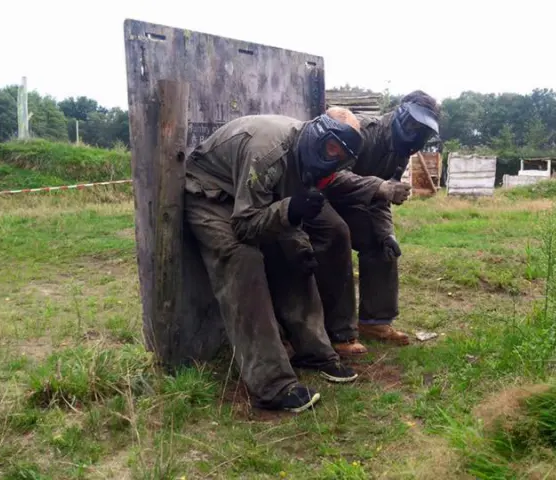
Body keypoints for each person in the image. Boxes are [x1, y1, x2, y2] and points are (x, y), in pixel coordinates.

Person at [183, 107, 364, 413]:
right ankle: (272, 384)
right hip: (210, 194)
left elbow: (277, 207)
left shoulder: (310, 157)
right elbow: (245, 226)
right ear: (321, 133)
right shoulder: (268, 151)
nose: (333, 157)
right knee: (243, 259)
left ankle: (314, 352)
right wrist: (291, 211)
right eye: (332, 148)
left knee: (297, 255)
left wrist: (297, 238)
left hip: (250, 201)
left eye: (340, 155)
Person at [305, 91, 441, 356]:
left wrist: (386, 232)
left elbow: (380, 201)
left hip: (350, 204)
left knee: (382, 245)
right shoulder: (363, 132)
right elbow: (330, 176)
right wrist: (380, 187)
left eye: (423, 132)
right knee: (338, 235)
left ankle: (375, 322)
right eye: (415, 127)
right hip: (316, 198)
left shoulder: (399, 152)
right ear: (403, 115)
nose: (416, 136)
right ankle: (339, 332)